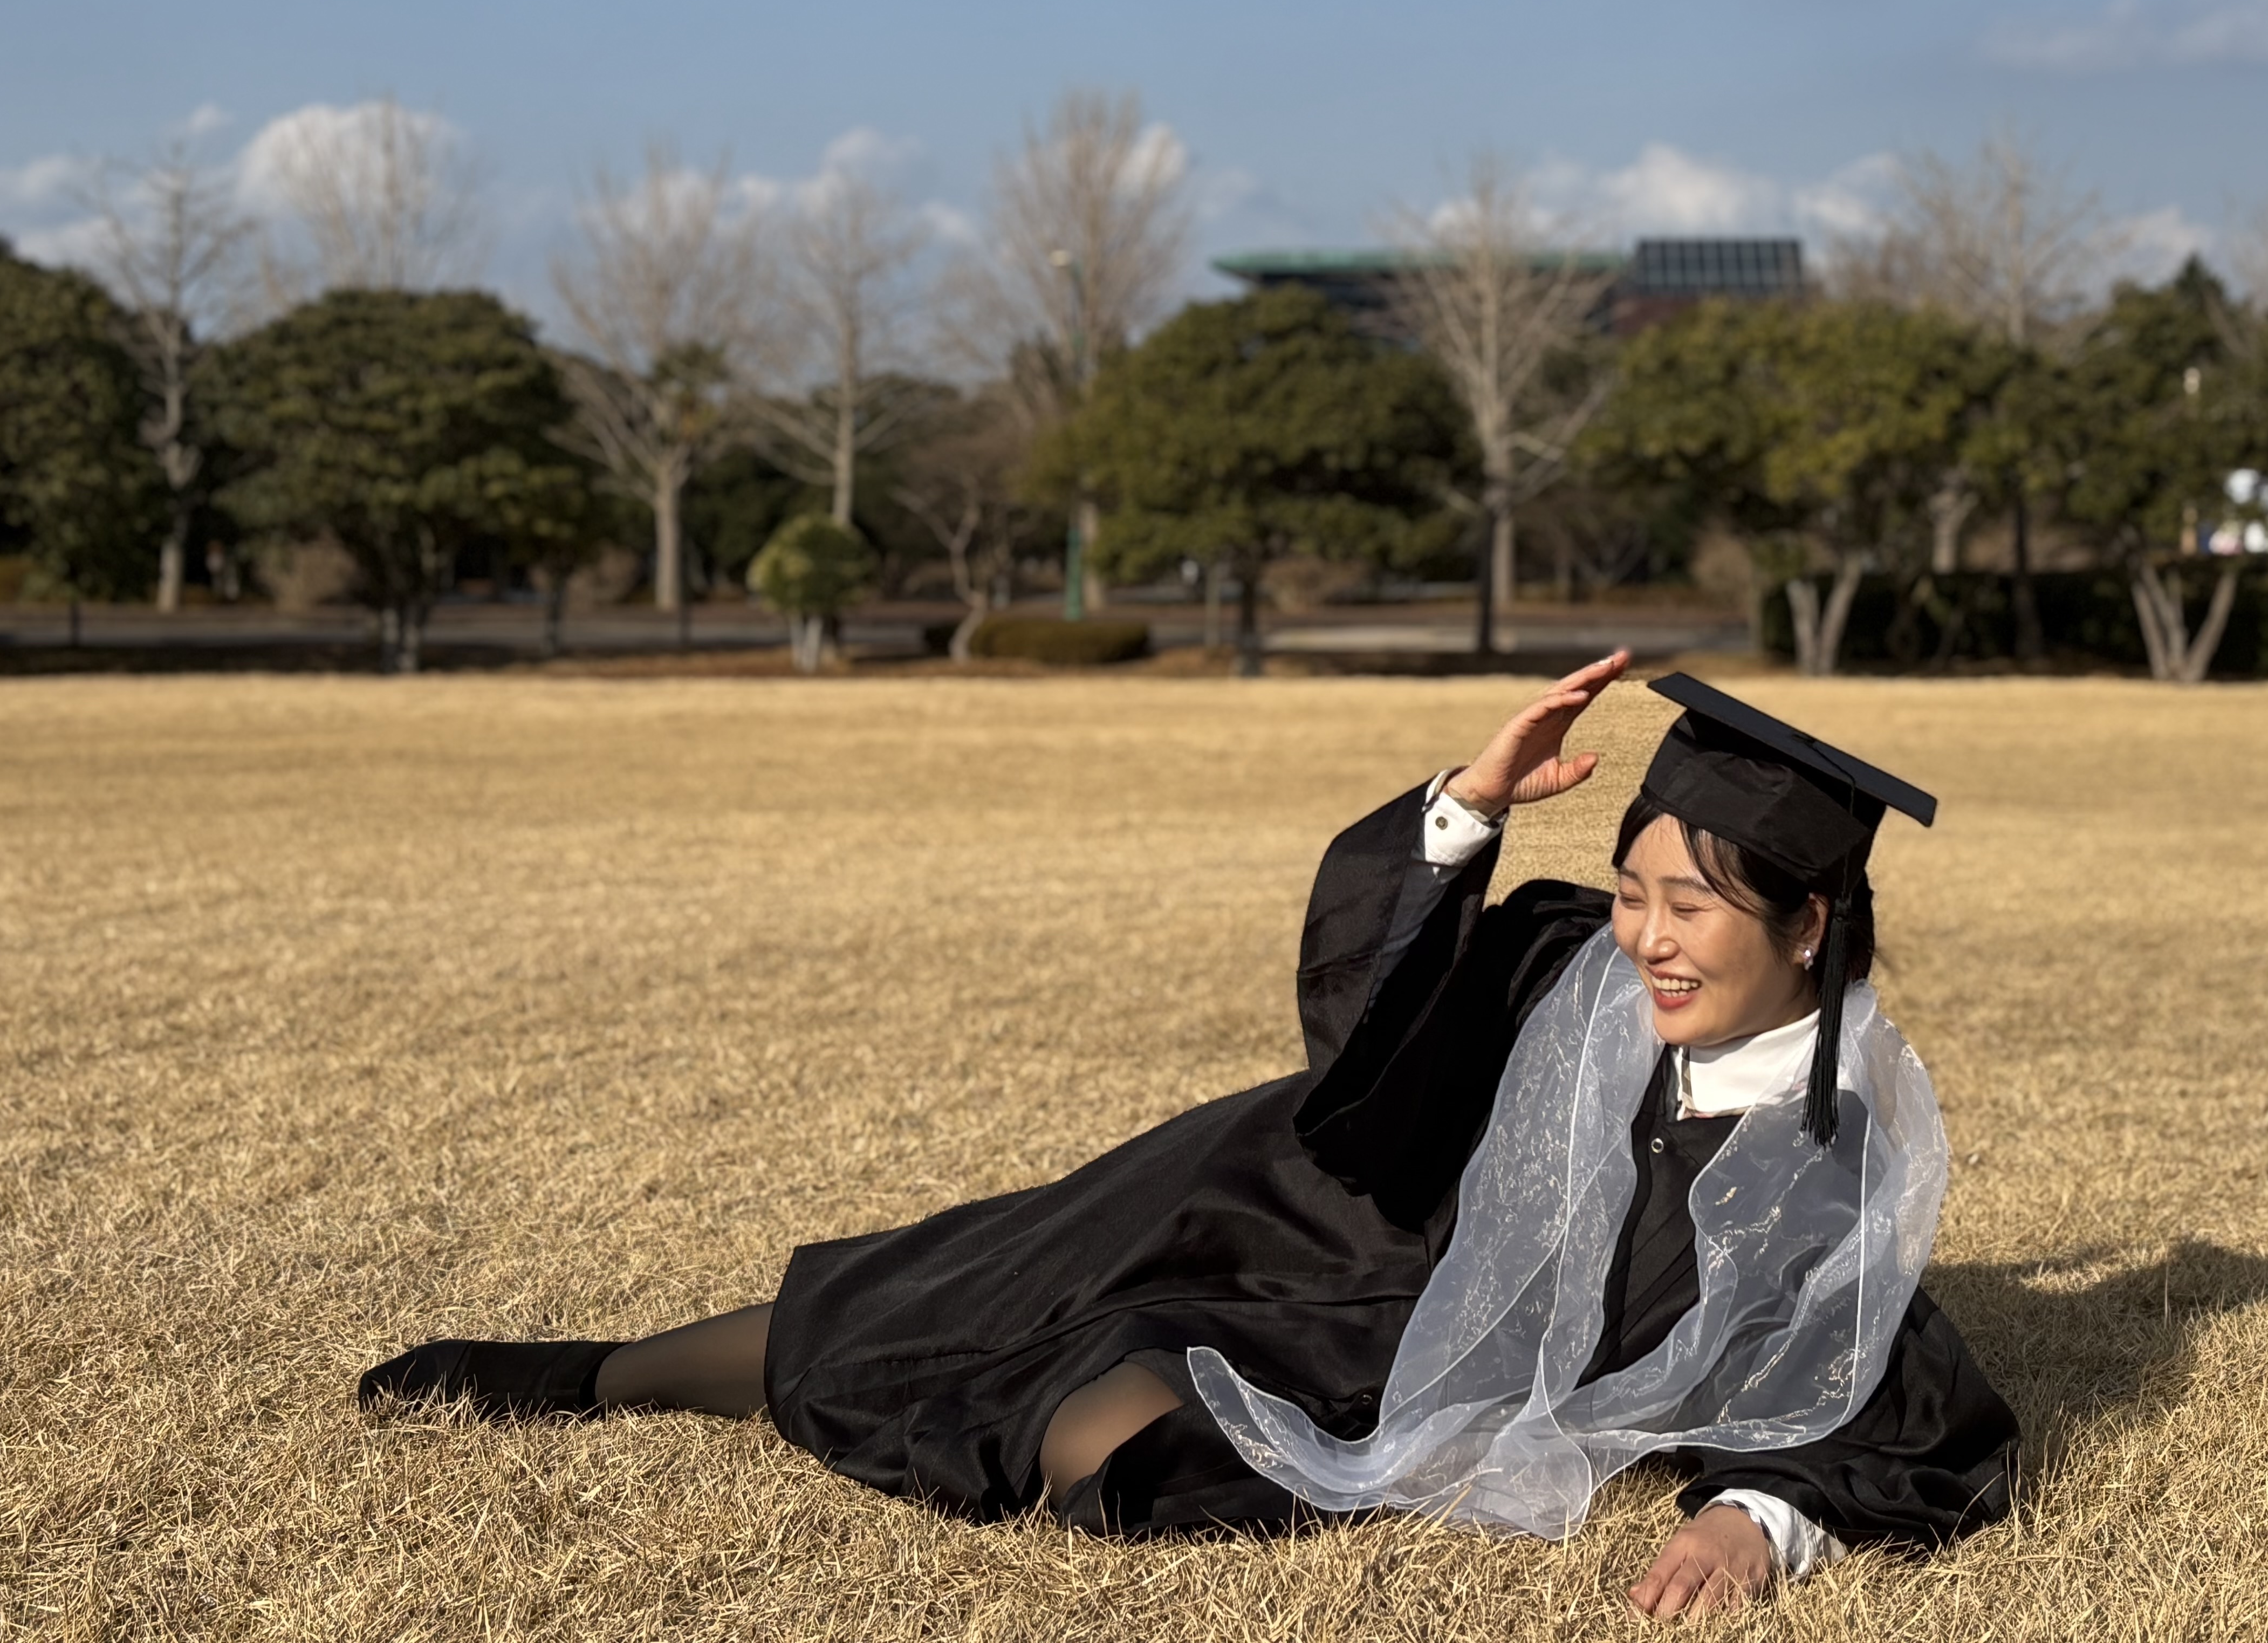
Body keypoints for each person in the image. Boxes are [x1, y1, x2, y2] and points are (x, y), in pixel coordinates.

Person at [361, 653, 2017, 1618]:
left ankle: (1048, 1419)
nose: (1646, 935)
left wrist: (1760, 1516)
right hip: (1295, 1202)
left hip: (1381, 1352)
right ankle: (602, 1375)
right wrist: (1468, 809)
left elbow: (1891, 1394)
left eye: (1692, 908)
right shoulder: (1557, 960)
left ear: (1808, 924)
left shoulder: (1828, 1154)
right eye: (1636, 888)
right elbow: (1373, 1036)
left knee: (1100, 1445)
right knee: (961, 1285)